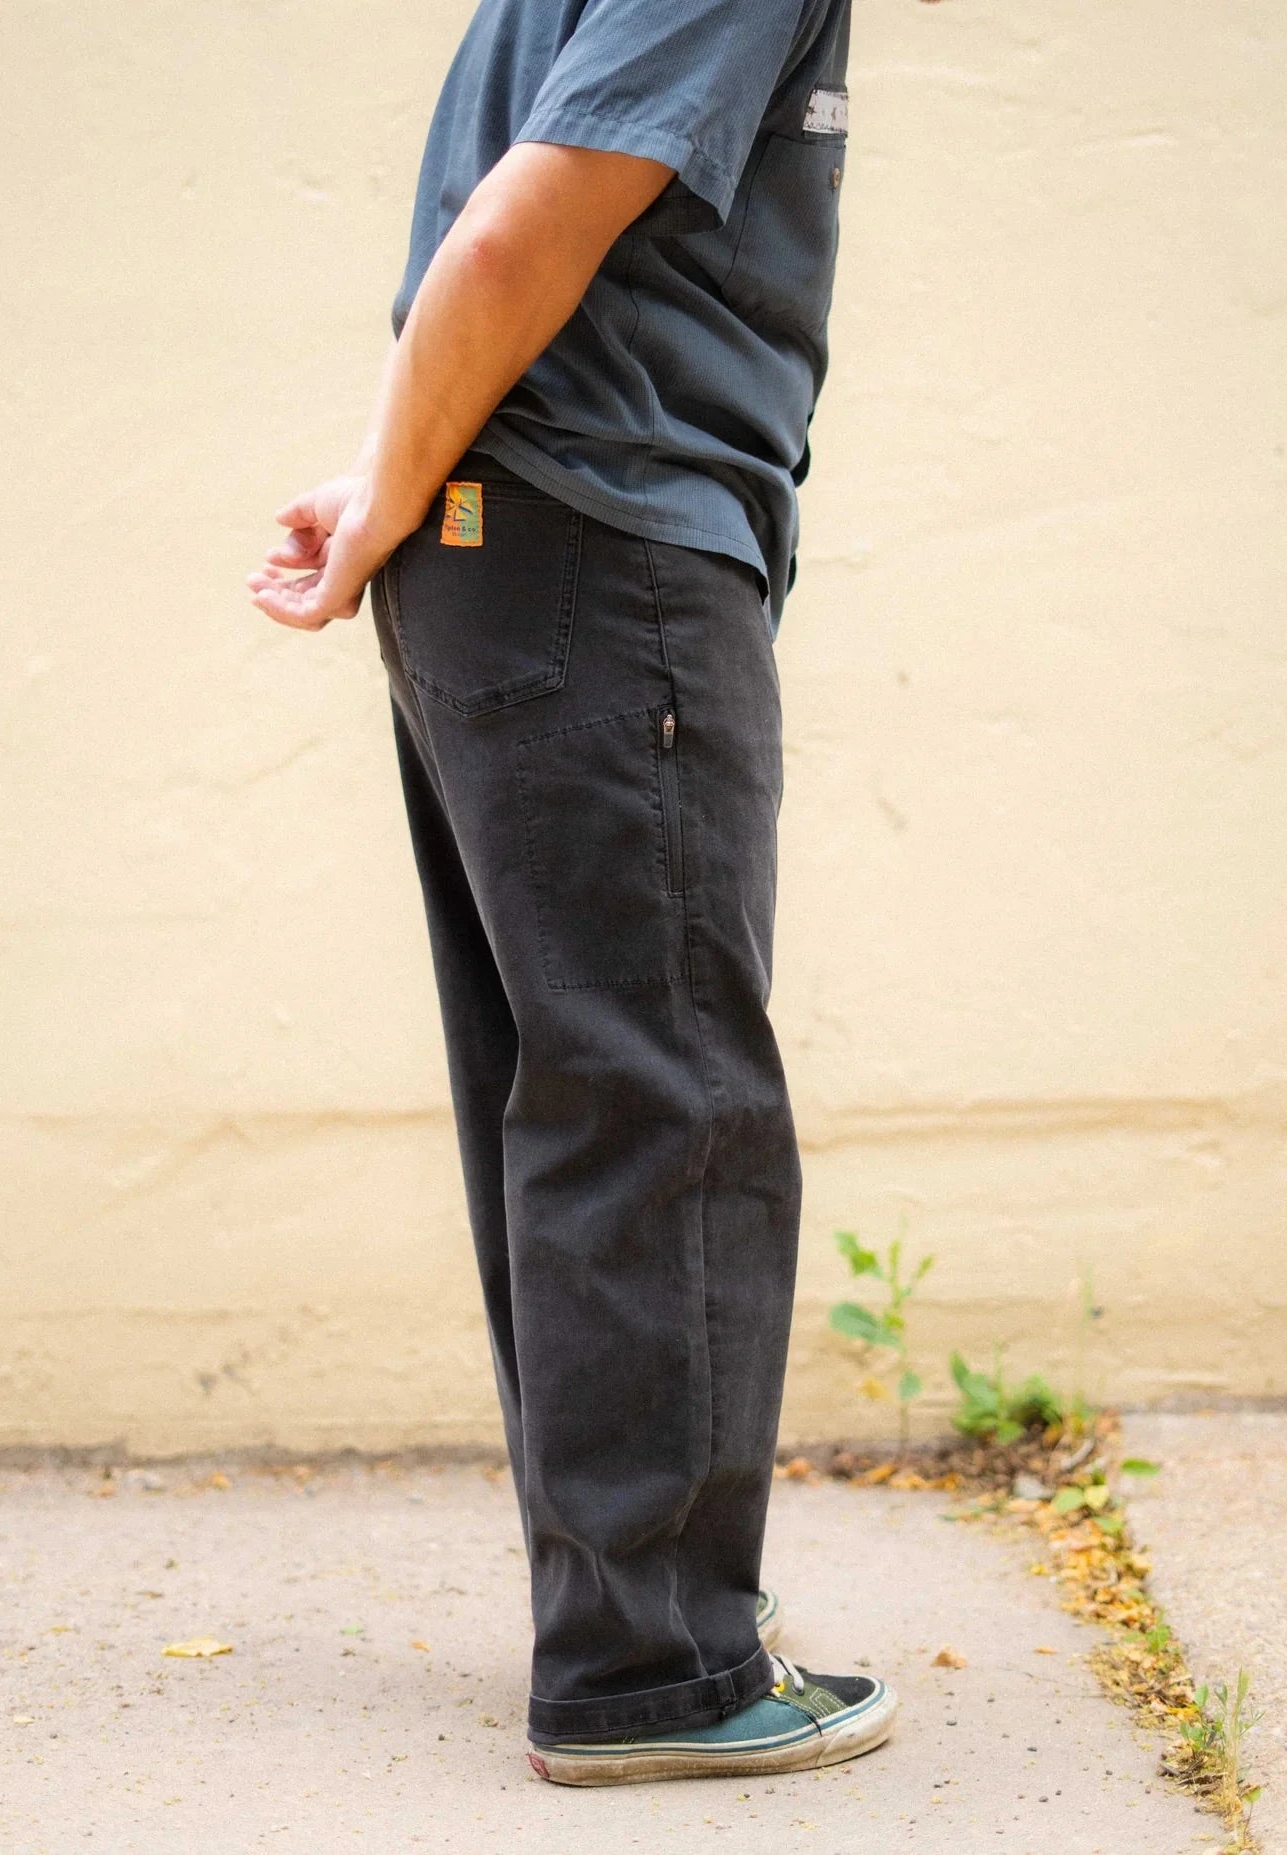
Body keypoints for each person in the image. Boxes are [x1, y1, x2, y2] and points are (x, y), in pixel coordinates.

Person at [246, 0, 896, 1787]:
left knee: (583, 1099)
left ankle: (633, 1619)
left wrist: (399, 482)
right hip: (607, 550)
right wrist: (394, 480)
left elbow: (504, 237)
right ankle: (652, 1669)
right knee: (660, 1104)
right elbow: (517, 229)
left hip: (508, 540)